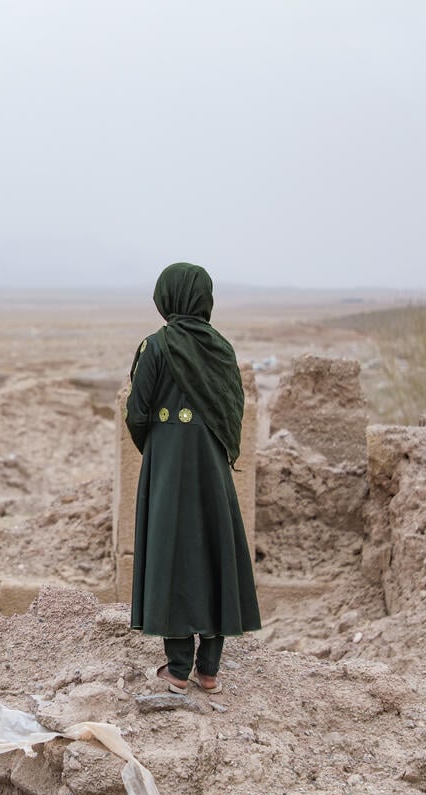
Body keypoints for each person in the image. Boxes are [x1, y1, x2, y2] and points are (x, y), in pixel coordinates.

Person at [125, 262, 261, 695]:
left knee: (173, 554)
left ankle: (178, 669)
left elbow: (137, 412)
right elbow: (233, 409)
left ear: (167, 297)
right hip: (212, 464)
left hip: (168, 462)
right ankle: (210, 671)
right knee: (211, 550)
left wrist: (162, 447)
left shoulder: (157, 346)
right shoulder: (221, 348)